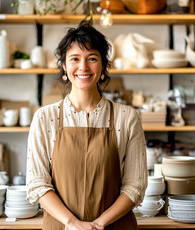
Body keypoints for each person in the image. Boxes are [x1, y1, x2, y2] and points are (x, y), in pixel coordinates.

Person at [26, 20, 147, 230]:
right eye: (75, 59)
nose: (83, 67)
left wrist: (98, 224)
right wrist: (72, 223)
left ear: (102, 67)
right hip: (62, 227)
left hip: (114, 226)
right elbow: (37, 183)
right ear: (64, 67)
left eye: (92, 59)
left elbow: (135, 186)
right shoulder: (44, 118)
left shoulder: (127, 118)